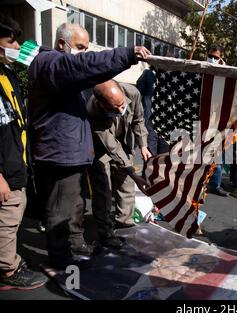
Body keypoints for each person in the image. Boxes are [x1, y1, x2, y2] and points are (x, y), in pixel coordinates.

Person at [28, 23, 151, 269]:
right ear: (62, 44)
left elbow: (137, 123)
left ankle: (73, 245)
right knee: (60, 210)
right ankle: (61, 260)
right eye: (80, 47)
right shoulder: (52, 64)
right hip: (60, 155)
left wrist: (142, 148)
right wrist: (126, 54)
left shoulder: (70, 78)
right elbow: (83, 67)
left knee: (73, 203)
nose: (84, 53)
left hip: (71, 154)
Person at [0, 13, 47, 290]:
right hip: (4, 171)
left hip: (15, 162)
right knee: (8, 220)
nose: (16, 47)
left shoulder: (7, 74)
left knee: (11, 217)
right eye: (11, 41)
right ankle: (8, 269)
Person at [87, 80, 150, 248]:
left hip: (125, 141)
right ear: (102, 104)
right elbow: (111, 146)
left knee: (126, 185)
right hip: (99, 148)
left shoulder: (133, 92)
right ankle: (105, 233)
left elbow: (138, 120)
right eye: (114, 109)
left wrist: (143, 144)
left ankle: (125, 223)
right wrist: (133, 172)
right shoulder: (93, 109)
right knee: (103, 190)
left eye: (122, 105)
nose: (121, 111)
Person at [206, 43, 228, 197]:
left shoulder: (225, 73)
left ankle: (215, 184)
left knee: (217, 156)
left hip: (217, 120)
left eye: (216, 58)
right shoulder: (200, 67)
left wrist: (224, 69)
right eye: (211, 56)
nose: (212, 60)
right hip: (201, 119)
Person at [136, 68, 169, 157]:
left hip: (167, 125)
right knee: (149, 157)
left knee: (165, 159)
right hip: (150, 124)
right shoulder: (148, 74)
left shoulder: (176, 76)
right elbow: (138, 94)